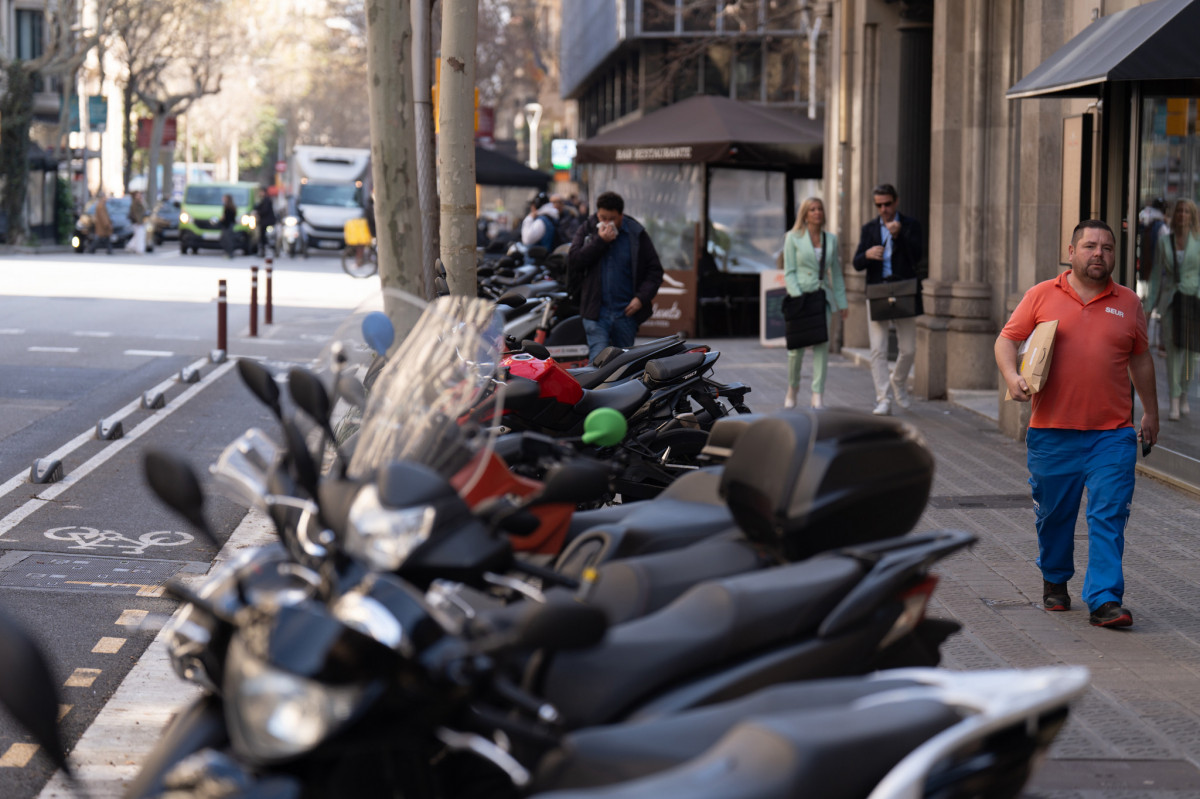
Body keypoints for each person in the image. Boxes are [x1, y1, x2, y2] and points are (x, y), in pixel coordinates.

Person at [994, 219, 1159, 629]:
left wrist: (1151, 412)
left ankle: (1105, 599)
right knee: (1054, 516)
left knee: (1108, 515)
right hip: (1052, 432)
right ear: (1071, 252)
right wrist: (1012, 377)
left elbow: (1140, 359)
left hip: (1112, 434)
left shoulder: (1129, 303)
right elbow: (1006, 339)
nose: (1098, 253)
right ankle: (1055, 578)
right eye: (1090, 246)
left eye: (1107, 247)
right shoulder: (1041, 295)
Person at [852, 183, 924, 416]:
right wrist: (867, 254)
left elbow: (917, 257)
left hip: (904, 290)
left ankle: (898, 380)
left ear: (896, 201)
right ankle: (883, 398)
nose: (883, 209)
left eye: (887, 204)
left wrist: (899, 235)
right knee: (878, 349)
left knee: (909, 349)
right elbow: (856, 263)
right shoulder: (869, 229)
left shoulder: (911, 225)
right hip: (878, 291)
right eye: (879, 205)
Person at [568, 191, 664, 362]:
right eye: (602, 217)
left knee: (623, 363)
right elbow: (574, 261)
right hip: (596, 313)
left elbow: (655, 270)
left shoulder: (635, 233)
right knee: (599, 362)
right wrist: (600, 241)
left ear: (621, 215)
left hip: (625, 313)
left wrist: (641, 298)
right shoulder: (588, 229)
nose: (606, 223)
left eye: (611, 219)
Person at [782, 197, 848, 409]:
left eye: (819, 208)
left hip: (822, 299)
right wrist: (797, 296)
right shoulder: (792, 237)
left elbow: (835, 274)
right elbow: (789, 271)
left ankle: (817, 394)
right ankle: (793, 387)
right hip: (800, 299)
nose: (817, 212)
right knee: (796, 350)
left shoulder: (831, 239)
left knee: (822, 346)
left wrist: (842, 302)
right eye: (812, 209)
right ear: (805, 214)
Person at [1145, 198, 1200, 421]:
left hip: (1194, 301)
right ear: (1174, 214)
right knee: (1172, 353)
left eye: (1186, 212)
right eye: (1179, 211)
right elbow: (1156, 276)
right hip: (1171, 303)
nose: (1182, 215)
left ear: (1192, 216)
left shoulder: (1198, 241)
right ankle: (1175, 400)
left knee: (1191, 354)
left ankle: (1184, 392)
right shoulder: (1164, 241)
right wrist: (1148, 306)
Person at [254, 187, 277, 257]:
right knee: (263, 237)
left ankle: (267, 250)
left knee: (264, 237)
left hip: (267, 222)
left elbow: (265, 210)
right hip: (265, 222)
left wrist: (258, 212)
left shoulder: (267, 200)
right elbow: (258, 207)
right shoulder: (264, 200)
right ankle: (264, 250)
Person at [220, 193, 237, 258]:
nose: (223, 199)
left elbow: (226, 217)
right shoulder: (232, 206)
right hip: (229, 225)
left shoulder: (228, 207)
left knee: (227, 240)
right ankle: (229, 253)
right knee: (227, 239)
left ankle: (229, 253)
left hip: (227, 225)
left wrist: (222, 219)